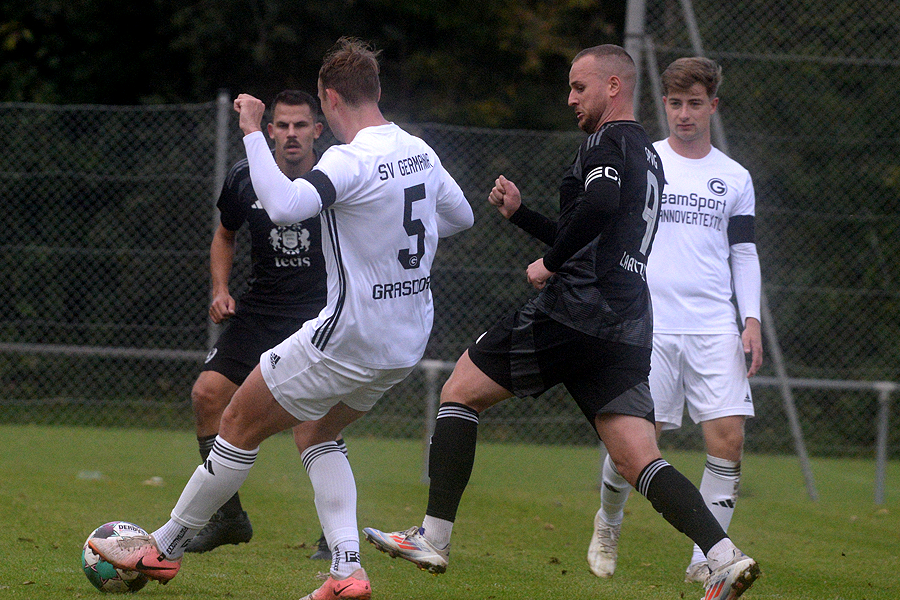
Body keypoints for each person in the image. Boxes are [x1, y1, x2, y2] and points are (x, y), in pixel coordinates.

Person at [363, 45, 760, 600]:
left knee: (459, 391)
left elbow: (597, 206)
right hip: (626, 322)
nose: (570, 98)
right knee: (638, 457)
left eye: (579, 87)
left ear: (614, 87)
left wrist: (549, 264)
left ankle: (433, 536)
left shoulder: (605, 141)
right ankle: (723, 557)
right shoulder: (649, 155)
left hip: (577, 308)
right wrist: (522, 216)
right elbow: (598, 234)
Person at [88, 37, 474, 600]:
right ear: (376, 91)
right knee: (317, 431)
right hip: (405, 341)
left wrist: (251, 130)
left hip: (347, 337)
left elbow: (286, 205)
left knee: (236, 424)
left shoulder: (349, 159)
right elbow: (460, 217)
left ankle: (162, 548)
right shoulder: (418, 150)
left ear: (329, 98)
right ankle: (347, 571)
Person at [588, 56, 763, 586]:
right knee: (636, 444)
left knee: (728, 439)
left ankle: (706, 560)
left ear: (713, 107)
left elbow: (744, 252)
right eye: (676, 104)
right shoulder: (646, 161)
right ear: (663, 105)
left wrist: (750, 319)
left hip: (714, 326)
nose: (685, 114)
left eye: (695, 104)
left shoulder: (734, 177)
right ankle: (608, 521)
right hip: (648, 323)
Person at [185, 89, 339, 560]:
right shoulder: (243, 176)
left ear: (317, 130)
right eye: (282, 125)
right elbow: (225, 234)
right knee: (207, 395)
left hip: (317, 315)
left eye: (301, 125)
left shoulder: (338, 174)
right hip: (260, 311)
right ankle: (229, 518)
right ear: (269, 131)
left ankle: (335, 535)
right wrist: (220, 289)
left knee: (313, 424)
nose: (291, 134)